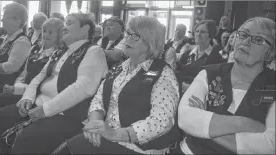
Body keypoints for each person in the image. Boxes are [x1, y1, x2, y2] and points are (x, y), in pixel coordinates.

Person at [0, 13, 108, 154]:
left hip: (65, 113)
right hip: (38, 103)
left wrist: (46, 109)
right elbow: (39, 77)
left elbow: (84, 87)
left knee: (27, 138)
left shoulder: (94, 51)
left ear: (85, 28)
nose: (64, 27)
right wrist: (27, 98)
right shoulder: (60, 52)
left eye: (70, 23)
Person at [53, 16, 181, 155]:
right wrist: (95, 125)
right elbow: (98, 100)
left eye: (135, 36)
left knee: (72, 146)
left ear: (150, 41)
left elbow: (161, 121)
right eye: (127, 33)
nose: (127, 39)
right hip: (108, 137)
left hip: (138, 147)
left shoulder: (163, 74)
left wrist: (115, 134)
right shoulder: (120, 67)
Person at [175, 17, 275, 154]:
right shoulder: (209, 73)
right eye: (243, 35)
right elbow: (185, 118)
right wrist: (244, 124)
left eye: (258, 39)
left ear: (271, 52)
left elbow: (269, 144)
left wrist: (204, 123)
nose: (246, 42)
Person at [0, 18, 64, 147]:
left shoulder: (58, 55)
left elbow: (42, 84)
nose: (46, 35)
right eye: (44, 31)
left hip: (33, 96)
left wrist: (18, 90)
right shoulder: (35, 49)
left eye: (51, 32)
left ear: (60, 35)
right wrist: (15, 86)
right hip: (21, 89)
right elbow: (23, 73)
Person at [177, 20, 223, 93]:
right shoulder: (186, 55)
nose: (198, 34)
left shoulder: (217, 58)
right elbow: (178, 73)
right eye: (197, 31)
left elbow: (215, 84)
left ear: (210, 35)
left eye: (203, 32)